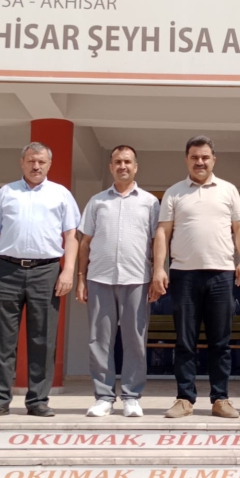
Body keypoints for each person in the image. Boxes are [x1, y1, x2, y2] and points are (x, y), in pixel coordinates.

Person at [0, 142, 80, 418]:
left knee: (43, 338)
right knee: (0, 338)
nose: (36, 166)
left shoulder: (61, 194)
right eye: (31, 161)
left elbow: (71, 236)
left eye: (41, 162)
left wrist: (68, 270)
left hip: (46, 271)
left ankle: (38, 400)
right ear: (22, 162)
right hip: (5, 270)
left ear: (49, 164)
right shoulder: (6, 192)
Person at [149, 136, 240, 419]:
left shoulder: (228, 190)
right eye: (194, 157)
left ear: (213, 160)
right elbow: (163, 232)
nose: (200, 162)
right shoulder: (175, 192)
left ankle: (221, 399)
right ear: (187, 160)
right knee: (185, 341)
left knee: (221, 342)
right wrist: (159, 268)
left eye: (205, 157)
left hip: (221, 274)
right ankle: (184, 398)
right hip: (184, 275)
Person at [76, 145, 159, 418]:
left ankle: (132, 397)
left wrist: (158, 274)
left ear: (135, 167)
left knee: (135, 340)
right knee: (99, 340)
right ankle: (103, 397)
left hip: (137, 279)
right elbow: (84, 243)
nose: (123, 166)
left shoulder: (150, 202)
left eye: (127, 162)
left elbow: (157, 242)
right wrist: (81, 278)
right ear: (111, 167)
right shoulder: (97, 201)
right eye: (117, 162)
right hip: (99, 277)